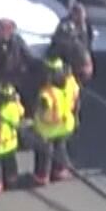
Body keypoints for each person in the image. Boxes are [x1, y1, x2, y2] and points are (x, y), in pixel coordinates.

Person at [30, 57, 80, 185]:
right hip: (65, 124)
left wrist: (32, 120)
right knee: (60, 147)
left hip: (47, 128)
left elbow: (40, 109)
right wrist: (75, 116)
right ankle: (60, 170)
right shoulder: (71, 83)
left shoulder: (47, 94)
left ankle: (41, 176)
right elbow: (76, 101)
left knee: (44, 152)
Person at [50, 3, 95, 84]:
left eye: (82, 16)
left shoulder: (86, 25)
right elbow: (58, 38)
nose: (81, 18)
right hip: (68, 54)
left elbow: (88, 39)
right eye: (79, 15)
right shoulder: (65, 23)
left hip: (81, 54)